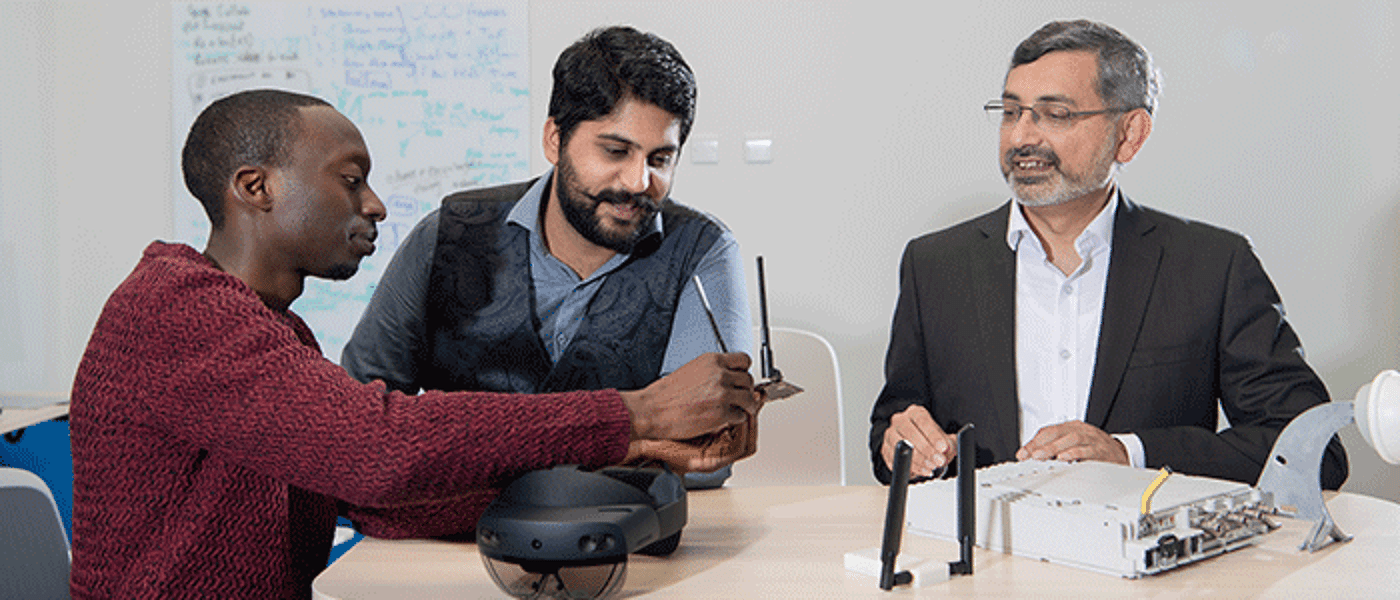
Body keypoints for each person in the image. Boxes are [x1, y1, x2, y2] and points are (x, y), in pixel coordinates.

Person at [67, 89, 760, 598]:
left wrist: (619, 459)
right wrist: (634, 415)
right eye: (349, 179)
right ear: (256, 188)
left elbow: (373, 500)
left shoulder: (272, 329)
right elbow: (378, 448)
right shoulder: (175, 307)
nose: (374, 204)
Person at [869, 19, 1347, 489]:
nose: (1021, 138)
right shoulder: (934, 266)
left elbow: (1313, 452)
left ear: (1130, 134)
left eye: (1055, 115)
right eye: (1011, 112)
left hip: (1149, 561)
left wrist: (1131, 454)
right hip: (988, 559)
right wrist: (900, 445)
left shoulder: (1213, 267)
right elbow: (892, 435)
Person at [341, 25, 752, 489]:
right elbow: (357, 424)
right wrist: (636, 435)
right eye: (615, 150)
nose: (638, 181)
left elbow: (702, 457)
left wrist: (459, 449)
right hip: (446, 538)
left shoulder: (704, 252)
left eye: (660, 159)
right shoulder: (448, 233)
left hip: (630, 541)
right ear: (554, 140)